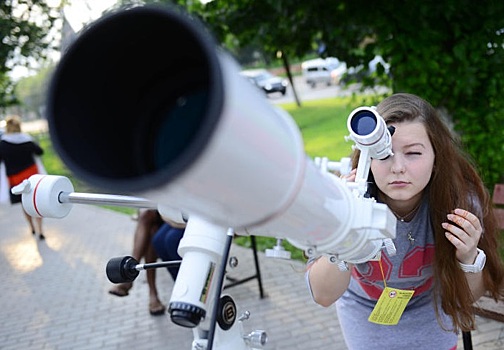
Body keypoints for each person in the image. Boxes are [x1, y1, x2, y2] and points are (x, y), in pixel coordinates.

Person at [306, 93, 504, 349]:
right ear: (366, 157)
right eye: (384, 154)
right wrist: (344, 231)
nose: (398, 167)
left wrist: (468, 258)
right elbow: (322, 295)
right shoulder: (346, 201)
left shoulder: (459, 203)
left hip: (430, 310)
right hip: (365, 314)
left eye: (413, 153)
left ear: (436, 158)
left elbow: (468, 297)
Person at [109, 209, 167, 316]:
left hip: (171, 213)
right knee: (149, 225)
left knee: (149, 223)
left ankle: (130, 273)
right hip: (152, 210)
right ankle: (152, 294)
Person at [0, 115, 46, 239]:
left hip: (16, 179)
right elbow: (40, 152)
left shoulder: (3, 144)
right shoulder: (26, 140)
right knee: (36, 202)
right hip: (32, 176)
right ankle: (40, 230)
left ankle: (31, 227)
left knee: (25, 204)